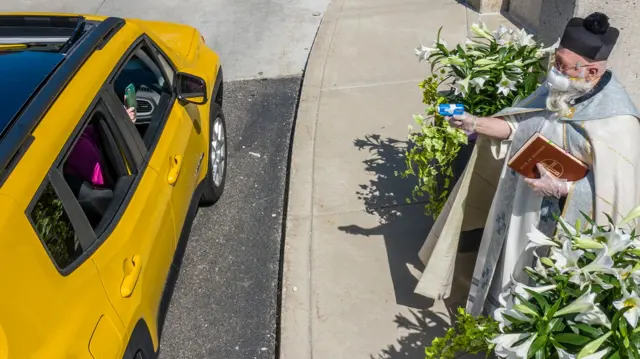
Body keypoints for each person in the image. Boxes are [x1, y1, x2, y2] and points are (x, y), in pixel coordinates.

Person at [414, 12, 640, 316]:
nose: (555, 71)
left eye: (564, 65)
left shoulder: (617, 122)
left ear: (594, 70)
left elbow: (616, 198)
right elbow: (518, 125)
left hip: (561, 224)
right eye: (556, 61)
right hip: (519, 206)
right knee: (507, 268)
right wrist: (475, 123)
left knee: (538, 289)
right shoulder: (561, 87)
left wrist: (563, 188)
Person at [64, 102, 135, 188]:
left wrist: (120, 120)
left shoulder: (77, 135)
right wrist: (122, 126)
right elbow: (102, 178)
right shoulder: (77, 147)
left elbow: (98, 130)